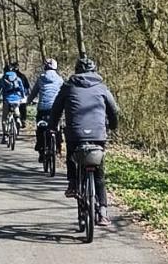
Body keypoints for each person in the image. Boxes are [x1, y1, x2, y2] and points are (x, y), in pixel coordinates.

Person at [49, 56, 119, 225]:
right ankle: (103, 212)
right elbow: (114, 110)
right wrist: (113, 126)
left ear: (76, 70)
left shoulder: (68, 87)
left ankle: (73, 184)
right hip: (98, 135)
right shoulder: (102, 88)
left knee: (72, 155)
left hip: (75, 134)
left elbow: (56, 109)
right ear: (94, 71)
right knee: (99, 173)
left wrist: (52, 126)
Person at [29, 58, 64, 161]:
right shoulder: (60, 80)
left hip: (42, 108)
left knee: (40, 127)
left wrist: (28, 101)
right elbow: (63, 94)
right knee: (58, 127)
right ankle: (58, 147)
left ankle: (40, 147)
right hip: (55, 108)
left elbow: (34, 93)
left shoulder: (41, 78)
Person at [0, 63, 29, 141]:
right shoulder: (17, 78)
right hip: (16, 99)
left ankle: (5, 135)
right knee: (16, 109)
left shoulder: (3, 78)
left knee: (4, 118)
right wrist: (22, 96)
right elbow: (22, 88)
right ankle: (18, 118)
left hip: (7, 100)